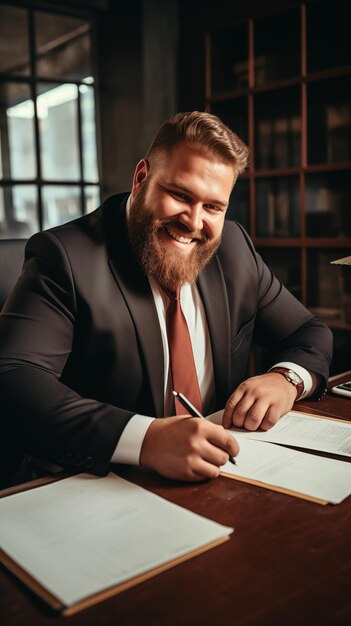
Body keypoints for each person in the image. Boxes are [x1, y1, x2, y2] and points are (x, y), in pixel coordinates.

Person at [0, 111, 332, 487]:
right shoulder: (64, 256)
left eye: (213, 207)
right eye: (179, 195)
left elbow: (308, 330)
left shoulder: (234, 248)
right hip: (97, 481)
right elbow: (14, 377)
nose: (193, 221)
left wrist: (287, 379)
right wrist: (146, 439)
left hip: (221, 474)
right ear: (142, 178)